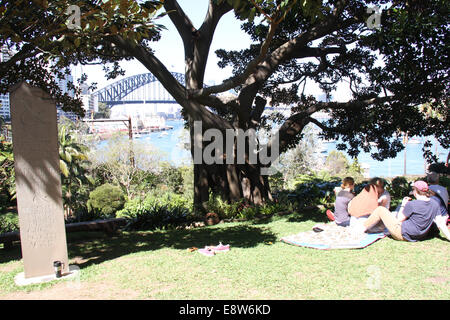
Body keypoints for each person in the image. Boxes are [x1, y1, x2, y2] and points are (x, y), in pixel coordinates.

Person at [358, 181, 440, 242]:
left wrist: (403, 204)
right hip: (419, 236)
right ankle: (368, 228)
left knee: (380, 210)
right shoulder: (434, 203)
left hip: (402, 234)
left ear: (415, 191)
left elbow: (399, 219)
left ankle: (360, 229)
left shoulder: (412, 204)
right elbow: (441, 223)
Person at [427, 172, 450, 240]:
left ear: (428, 180)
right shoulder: (444, 189)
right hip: (444, 215)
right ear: (438, 180)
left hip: (434, 217)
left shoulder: (426, 190)